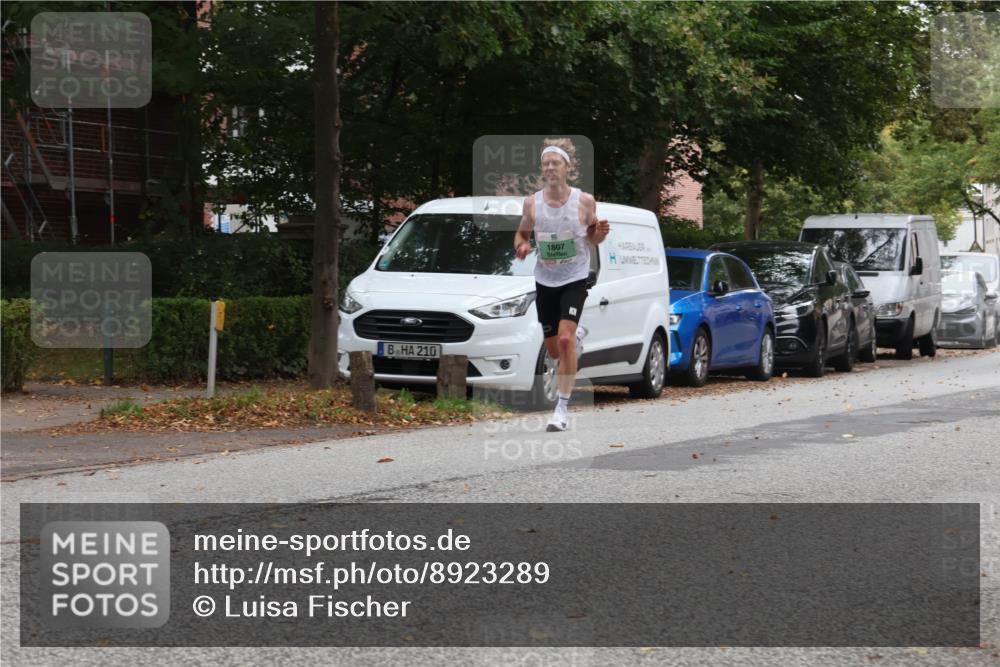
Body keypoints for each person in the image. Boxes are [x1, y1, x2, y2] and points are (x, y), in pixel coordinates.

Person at [514, 140, 610, 431]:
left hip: (575, 277)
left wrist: (600, 233)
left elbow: (593, 238)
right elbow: (521, 234)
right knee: (554, 351)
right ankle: (575, 336)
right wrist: (522, 246)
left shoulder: (584, 201)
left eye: (556, 163)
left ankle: (561, 410)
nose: (550, 168)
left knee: (566, 341)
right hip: (545, 279)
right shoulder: (533, 203)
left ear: (568, 167)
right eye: (546, 164)